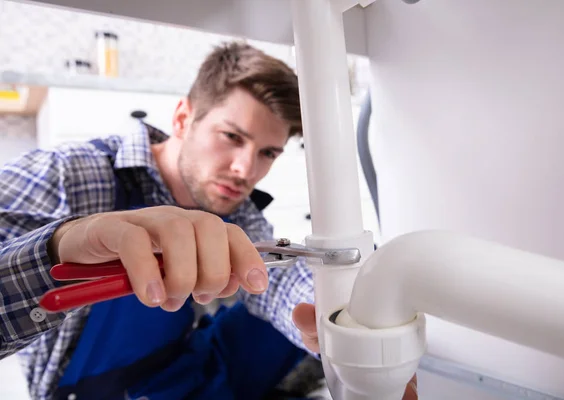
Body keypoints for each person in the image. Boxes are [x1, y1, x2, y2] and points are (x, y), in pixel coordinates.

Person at [0, 42, 417, 399]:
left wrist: (339, 319)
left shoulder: (233, 208)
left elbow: (276, 282)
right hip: (91, 391)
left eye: (267, 153)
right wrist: (56, 249)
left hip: (175, 369)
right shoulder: (67, 173)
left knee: (294, 316)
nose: (244, 169)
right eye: (232, 137)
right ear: (183, 118)